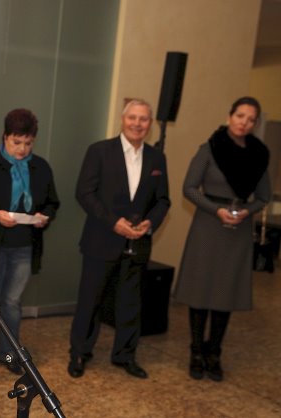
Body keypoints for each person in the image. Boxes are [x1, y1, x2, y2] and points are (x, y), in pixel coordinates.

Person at [68, 99, 170, 380]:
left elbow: (163, 200)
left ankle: (125, 355)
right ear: (122, 120)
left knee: (130, 303)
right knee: (90, 301)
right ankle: (79, 353)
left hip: (138, 242)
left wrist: (150, 223)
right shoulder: (99, 151)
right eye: (132, 117)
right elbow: (84, 192)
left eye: (143, 119)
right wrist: (113, 222)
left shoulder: (157, 158)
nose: (137, 124)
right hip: (101, 240)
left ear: (150, 124)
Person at [173, 96, 270, 382]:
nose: (244, 123)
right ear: (230, 116)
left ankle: (214, 351)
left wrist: (246, 212)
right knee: (201, 289)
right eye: (240, 116)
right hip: (208, 223)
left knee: (226, 292)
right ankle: (195, 351)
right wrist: (216, 210)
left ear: (255, 124)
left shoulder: (260, 154)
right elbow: (189, 188)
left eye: (251, 120)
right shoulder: (210, 148)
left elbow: (263, 197)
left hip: (238, 228)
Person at [0, 108, 60, 376]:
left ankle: (9, 354)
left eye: (28, 143)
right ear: (5, 136)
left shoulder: (41, 167)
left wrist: (45, 217)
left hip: (24, 247)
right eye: (16, 142)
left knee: (12, 304)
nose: (22, 149)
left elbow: (53, 203)